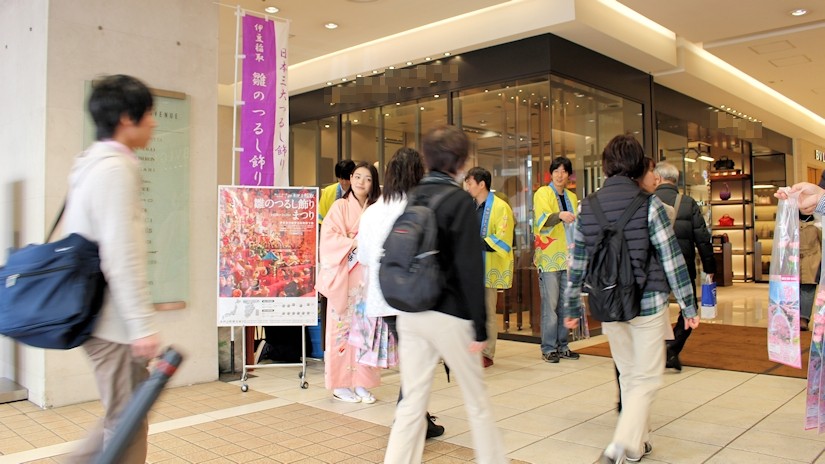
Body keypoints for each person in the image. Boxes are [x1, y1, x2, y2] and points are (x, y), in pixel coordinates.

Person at [564, 134, 698, 464]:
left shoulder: (587, 206)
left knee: (628, 375)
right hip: (648, 303)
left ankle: (637, 444)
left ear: (607, 166)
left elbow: (577, 261)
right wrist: (688, 304)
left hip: (609, 304)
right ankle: (619, 445)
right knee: (648, 377)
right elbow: (671, 258)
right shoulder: (650, 204)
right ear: (639, 165)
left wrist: (569, 306)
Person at [384, 126, 506, 464]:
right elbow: (469, 268)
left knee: (411, 402)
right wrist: (480, 327)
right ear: (462, 161)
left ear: (428, 158)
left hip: (411, 312)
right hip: (449, 315)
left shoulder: (415, 195)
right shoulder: (459, 201)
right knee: (476, 401)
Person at [63, 75, 160, 464]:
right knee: (127, 424)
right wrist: (140, 325)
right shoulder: (115, 169)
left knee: (122, 416)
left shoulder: (90, 163)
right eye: (148, 114)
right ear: (126, 118)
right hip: (112, 325)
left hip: (96, 317)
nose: (153, 122)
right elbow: (120, 254)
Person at [357, 147, 444, 439]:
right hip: (417, 297)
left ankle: (416, 417)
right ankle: (409, 420)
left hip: (385, 297)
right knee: (419, 360)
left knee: (414, 359)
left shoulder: (372, 211)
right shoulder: (423, 208)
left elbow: (366, 258)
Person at [316, 161, 382, 403]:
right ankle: (340, 383)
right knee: (341, 332)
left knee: (366, 331)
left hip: (368, 278)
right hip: (345, 277)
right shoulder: (340, 207)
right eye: (357, 176)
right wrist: (354, 242)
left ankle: (362, 382)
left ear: (373, 184)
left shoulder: (377, 209)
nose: (361, 182)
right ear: (350, 179)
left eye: (367, 178)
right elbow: (329, 238)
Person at [653, 161, 715, 371]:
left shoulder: (649, 202)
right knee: (689, 309)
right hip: (682, 265)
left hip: (656, 267)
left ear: (658, 179)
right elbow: (702, 237)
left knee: (656, 310)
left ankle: (659, 351)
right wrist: (709, 265)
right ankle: (673, 347)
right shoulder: (688, 203)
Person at [464, 166, 515, 368]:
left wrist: (472, 241)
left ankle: (487, 352)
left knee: (487, 311)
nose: (467, 186)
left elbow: (503, 238)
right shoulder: (468, 205)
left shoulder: (501, 207)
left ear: (481, 184)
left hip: (487, 266)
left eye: (470, 182)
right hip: (468, 267)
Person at [534, 156, 579, 363]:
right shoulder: (543, 193)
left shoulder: (571, 196)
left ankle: (563, 345)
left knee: (564, 304)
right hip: (549, 257)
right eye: (556, 171)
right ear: (551, 174)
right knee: (550, 305)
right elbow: (542, 219)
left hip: (567, 257)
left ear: (569, 175)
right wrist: (560, 215)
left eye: (564, 171)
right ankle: (549, 347)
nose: (560, 175)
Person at [318, 159, 356, 224]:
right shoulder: (328, 191)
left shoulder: (360, 191)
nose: (344, 182)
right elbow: (321, 215)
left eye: (347, 179)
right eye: (341, 179)